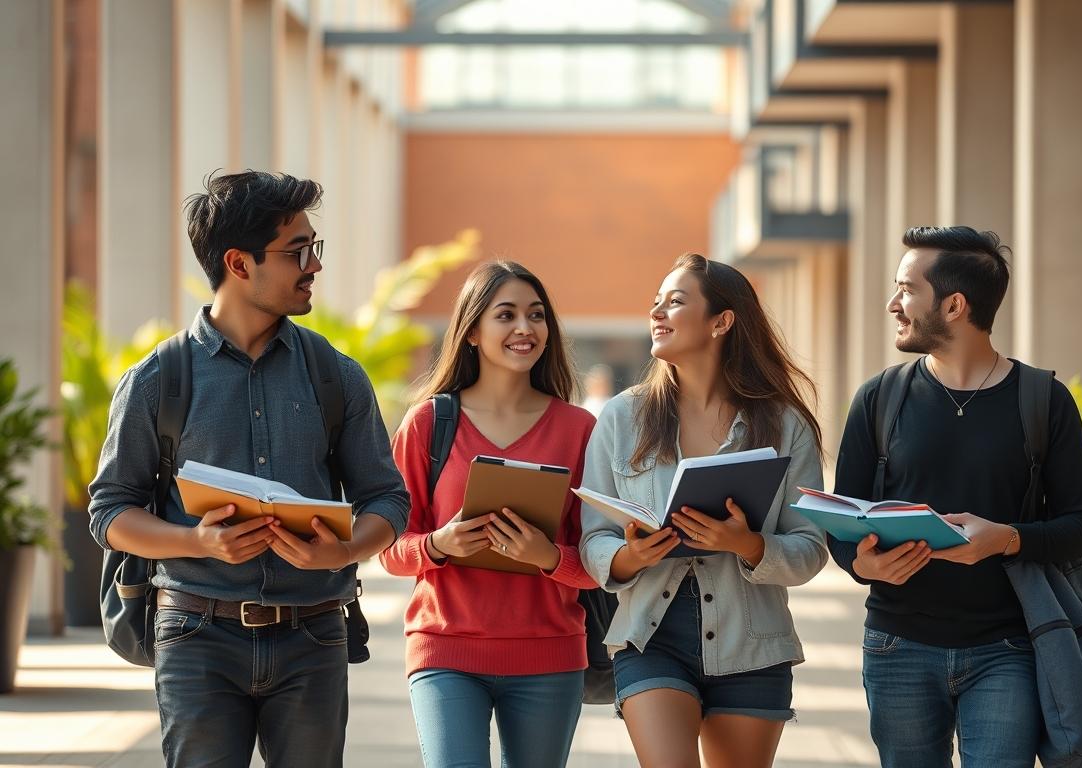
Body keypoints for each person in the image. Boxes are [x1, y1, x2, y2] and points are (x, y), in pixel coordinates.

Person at [88, 171, 410, 767]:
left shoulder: (335, 375)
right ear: (238, 263)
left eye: (314, 248)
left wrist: (342, 552)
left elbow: (388, 499)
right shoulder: (159, 380)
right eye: (297, 252)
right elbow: (110, 511)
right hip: (194, 634)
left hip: (314, 635)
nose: (313, 265)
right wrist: (196, 542)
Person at [829, 226, 1082, 768]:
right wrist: (864, 565)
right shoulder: (879, 398)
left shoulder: (1044, 401)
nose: (893, 304)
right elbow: (842, 522)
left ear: (955, 305)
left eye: (907, 289)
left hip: (1009, 650)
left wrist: (1005, 540)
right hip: (896, 646)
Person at [579, 253, 827, 768]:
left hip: (754, 645)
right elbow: (594, 540)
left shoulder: (785, 426)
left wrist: (748, 545)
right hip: (650, 637)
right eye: (655, 303)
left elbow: (810, 546)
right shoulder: (621, 418)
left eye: (675, 301)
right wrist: (631, 555)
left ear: (722, 321)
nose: (657, 313)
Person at [379, 260, 598, 768]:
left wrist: (546, 556)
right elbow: (388, 548)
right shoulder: (429, 423)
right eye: (506, 315)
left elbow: (599, 559)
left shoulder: (580, 429)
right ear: (472, 331)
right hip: (445, 650)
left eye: (536, 315)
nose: (525, 328)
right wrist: (438, 545)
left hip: (550, 655)